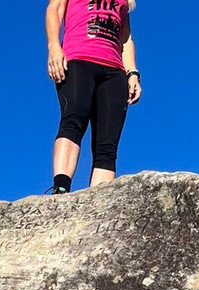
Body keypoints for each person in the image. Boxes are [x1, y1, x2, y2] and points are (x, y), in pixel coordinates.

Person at [45, 0, 141, 194]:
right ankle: (61, 188)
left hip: (114, 71)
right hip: (78, 59)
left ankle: (98, 200)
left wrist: (132, 72)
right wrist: (54, 47)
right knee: (73, 120)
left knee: (107, 144)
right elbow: (54, 9)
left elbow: (126, 38)